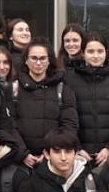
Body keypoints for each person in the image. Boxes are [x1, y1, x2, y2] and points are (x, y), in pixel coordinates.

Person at [64, 31, 109, 165]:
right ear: (83, 52)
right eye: (90, 51)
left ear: (106, 52)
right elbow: (65, 117)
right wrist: (76, 147)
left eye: (100, 51)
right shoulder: (69, 79)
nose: (96, 56)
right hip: (77, 156)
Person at [11, 38, 79, 167]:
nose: (38, 63)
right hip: (20, 161)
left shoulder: (63, 90)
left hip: (54, 161)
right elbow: (9, 125)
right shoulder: (14, 89)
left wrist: (51, 154)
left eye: (42, 58)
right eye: (33, 58)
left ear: (49, 61)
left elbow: (69, 125)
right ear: (26, 60)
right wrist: (23, 154)